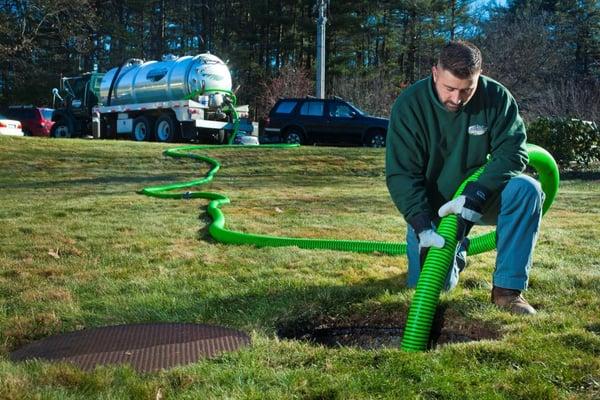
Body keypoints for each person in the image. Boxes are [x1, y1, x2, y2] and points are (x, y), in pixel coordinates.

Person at [385, 40, 544, 315]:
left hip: (481, 197)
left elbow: (514, 153)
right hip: (435, 209)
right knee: (433, 287)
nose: (457, 99)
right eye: (450, 88)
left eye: (466, 90)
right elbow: (402, 173)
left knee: (527, 189)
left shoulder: (496, 97)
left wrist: (478, 193)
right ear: (435, 73)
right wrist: (421, 224)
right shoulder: (409, 106)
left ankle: (507, 291)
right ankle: (456, 252)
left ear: (479, 76)